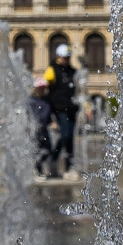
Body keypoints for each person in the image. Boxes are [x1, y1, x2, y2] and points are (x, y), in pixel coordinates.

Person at [44, 44, 80, 180]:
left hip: (71, 108)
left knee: (69, 138)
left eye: (68, 57)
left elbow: (80, 91)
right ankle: (54, 159)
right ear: (58, 57)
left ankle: (68, 167)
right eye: (65, 57)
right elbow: (45, 86)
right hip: (58, 108)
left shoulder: (73, 71)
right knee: (65, 135)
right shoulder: (52, 70)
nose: (67, 59)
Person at [28, 77, 54, 178]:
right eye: (40, 88)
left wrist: (51, 122)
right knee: (36, 149)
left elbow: (48, 115)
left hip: (44, 129)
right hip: (34, 129)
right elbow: (27, 114)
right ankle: (37, 170)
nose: (42, 91)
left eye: (43, 88)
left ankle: (38, 167)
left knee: (47, 149)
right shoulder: (31, 101)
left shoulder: (47, 101)